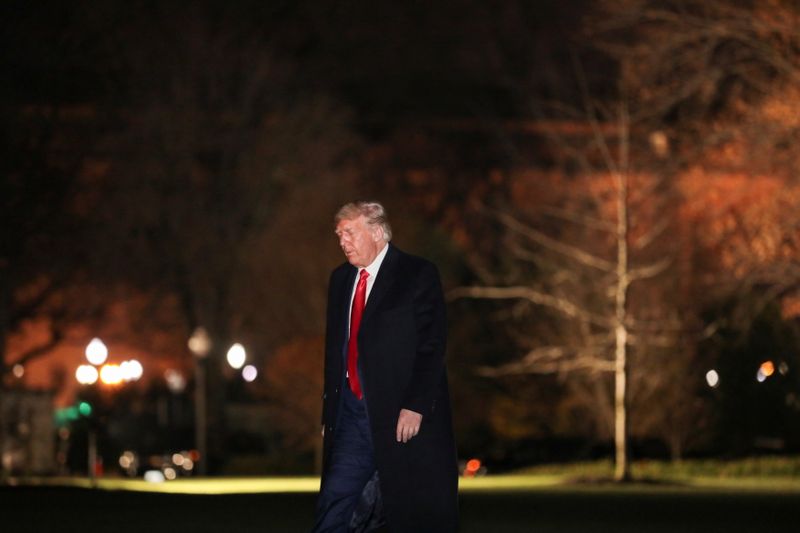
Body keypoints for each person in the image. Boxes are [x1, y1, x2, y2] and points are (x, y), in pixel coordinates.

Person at [312, 201, 458, 533]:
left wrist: (415, 405)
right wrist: (330, 411)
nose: (342, 242)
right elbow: (336, 350)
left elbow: (432, 346)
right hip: (351, 416)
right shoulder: (340, 280)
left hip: (399, 416)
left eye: (349, 232)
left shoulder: (417, 274)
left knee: (405, 511)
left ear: (377, 231)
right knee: (335, 502)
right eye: (339, 235)